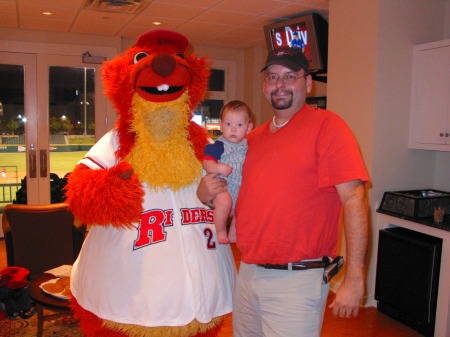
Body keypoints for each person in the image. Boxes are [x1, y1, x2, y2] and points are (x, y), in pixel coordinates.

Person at [197, 46, 370, 337]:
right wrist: (205, 192)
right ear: (265, 85)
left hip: (297, 280)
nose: (280, 84)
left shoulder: (328, 127)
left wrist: (354, 279)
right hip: (249, 272)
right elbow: (234, 191)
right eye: (273, 77)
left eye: (290, 76)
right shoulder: (253, 139)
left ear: (308, 82)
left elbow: (354, 199)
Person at [203, 100, 253, 244]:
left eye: (239, 125)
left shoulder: (247, 147)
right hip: (221, 188)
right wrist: (219, 168)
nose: (233, 129)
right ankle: (220, 231)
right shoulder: (218, 146)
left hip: (238, 189)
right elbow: (206, 163)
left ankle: (233, 233)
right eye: (228, 124)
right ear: (221, 125)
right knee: (225, 202)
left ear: (248, 127)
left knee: (243, 208)